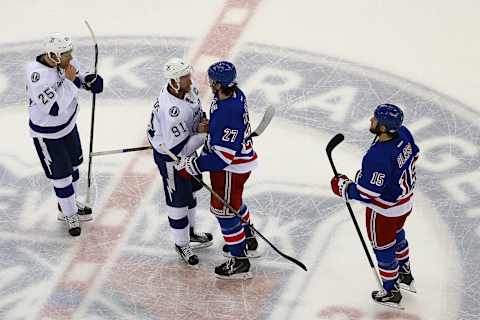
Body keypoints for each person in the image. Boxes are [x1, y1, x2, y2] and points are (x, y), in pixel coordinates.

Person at [175, 61, 259, 279]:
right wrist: (210, 127)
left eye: (212, 81)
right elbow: (222, 134)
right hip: (234, 165)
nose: (209, 84)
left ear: (219, 84)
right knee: (235, 203)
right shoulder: (231, 96)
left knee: (224, 210)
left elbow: (222, 158)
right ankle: (247, 237)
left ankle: (240, 261)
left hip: (231, 169)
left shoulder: (228, 111)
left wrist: (191, 165)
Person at [330, 103, 419, 307]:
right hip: (405, 203)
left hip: (384, 210)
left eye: (376, 119)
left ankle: (391, 290)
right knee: (398, 234)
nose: (371, 120)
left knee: (383, 247)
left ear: (385, 128)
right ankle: (404, 273)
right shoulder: (404, 134)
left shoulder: (378, 156)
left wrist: (343, 187)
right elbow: (415, 155)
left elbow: (368, 194)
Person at [26, 33, 104, 236]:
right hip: (48, 134)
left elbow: (77, 75)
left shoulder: (63, 60)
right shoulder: (37, 75)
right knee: (61, 176)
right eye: (66, 55)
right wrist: (71, 83)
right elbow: (54, 108)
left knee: (74, 165)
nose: (71, 57)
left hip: (68, 126)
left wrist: (89, 81)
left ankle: (67, 205)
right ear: (53, 55)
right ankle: (69, 214)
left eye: (70, 53)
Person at [148, 57, 212, 266]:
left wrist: (201, 124)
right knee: (178, 200)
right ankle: (181, 243)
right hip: (171, 157)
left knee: (192, 191)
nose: (190, 80)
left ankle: (190, 233)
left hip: (185, 148)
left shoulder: (187, 91)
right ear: (174, 81)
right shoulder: (171, 112)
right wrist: (203, 135)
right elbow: (177, 150)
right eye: (185, 77)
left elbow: (196, 113)